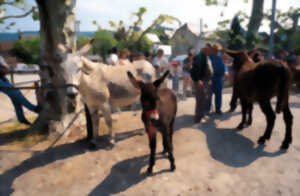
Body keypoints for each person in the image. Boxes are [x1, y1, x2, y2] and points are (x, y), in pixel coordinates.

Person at [0, 56, 39, 125]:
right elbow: (5, 67)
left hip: (2, 78)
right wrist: (5, 67)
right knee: (16, 93)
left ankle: (21, 118)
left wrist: (5, 68)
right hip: (1, 80)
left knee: (15, 98)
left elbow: (5, 67)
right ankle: (33, 108)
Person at [190, 44, 214, 123]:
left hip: (205, 80)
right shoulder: (199, 57)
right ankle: (198, 118)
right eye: (209, 50)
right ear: (205, 49)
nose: (210, 51)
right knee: (200, 100)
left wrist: (209, 79)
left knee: (204, 99)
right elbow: (195, 70)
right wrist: (198, 80)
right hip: (201, 81)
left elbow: (206, 69)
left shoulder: (205, 56)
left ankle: (202, 115)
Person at [207, 43, 229, 114]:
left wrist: (226, 72)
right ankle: (208, 110)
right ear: (212, 50)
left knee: (218, 94)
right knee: (209, 94)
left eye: (217, 50)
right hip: (211, 77)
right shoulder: (209, 57)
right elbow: (207, 68)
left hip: (219, 77)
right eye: (215, 50)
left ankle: (218, 109)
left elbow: (224, 65)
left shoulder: (220, 56)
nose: (216, 51)